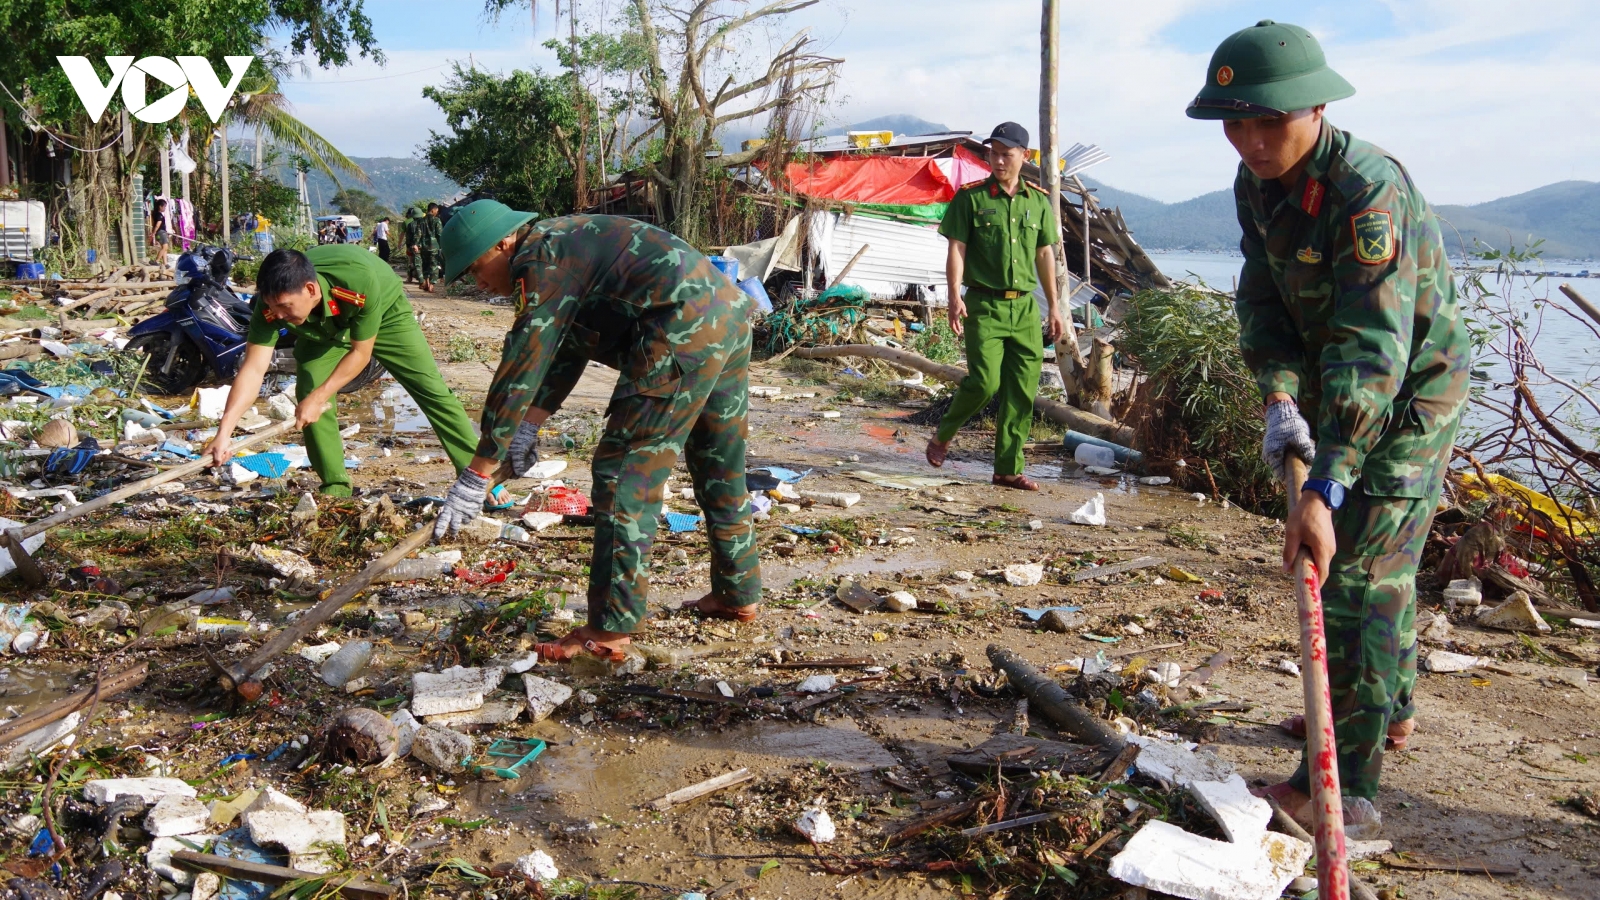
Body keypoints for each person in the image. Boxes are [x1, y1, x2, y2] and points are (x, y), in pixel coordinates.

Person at [1187, 19, 1469, 837]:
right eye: (1234, 122)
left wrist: (1328, 479)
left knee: (1357, 582)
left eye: (1267, 121)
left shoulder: (1365, 190)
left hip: (1408, 393)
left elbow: (1372, 347)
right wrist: (1279, 399)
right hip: (1336, 382)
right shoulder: (1258, 182)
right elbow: (1263, 299)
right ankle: (1389, 710)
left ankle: (1344, 792)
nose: (1249, 140)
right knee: (1380, 563)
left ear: (1314, 106)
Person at [432, 201, 762, 662]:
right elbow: (570, 346)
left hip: (680, 329)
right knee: (719, 466)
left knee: (626, 472)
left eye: (475, 268)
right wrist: (528, 428)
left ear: (503, 243)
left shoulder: (540, 261)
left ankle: (609, 628)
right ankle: (737, 592)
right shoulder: (568, 245)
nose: (478, 282)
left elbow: (521, 365)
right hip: (725, 317)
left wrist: (477, 472)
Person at [202, 245, 516, 509]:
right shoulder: (272, 307)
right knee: (308, 389)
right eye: (274, 308)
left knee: (430, 389)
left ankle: (479, 477)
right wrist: (224, 432)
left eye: (285, 307)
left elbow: (360, 353)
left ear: (310, 290)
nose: (279, 316)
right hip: (319, 330)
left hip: (385, 310)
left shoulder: (356, 283)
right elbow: (254, 369)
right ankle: (335, 485)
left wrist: (320, 397)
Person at [924, 121, 1066, 491]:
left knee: (1021, 390)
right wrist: (953, 294)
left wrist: (1054, 307)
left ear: (1025, 156)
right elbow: (956, 247)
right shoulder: (972, 198)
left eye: (1006, 154)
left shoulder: (1038, 201)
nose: (998, 161)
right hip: (983, 305)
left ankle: (1007, 469)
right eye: (993, 154)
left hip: (1024, 311)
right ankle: (944, 434)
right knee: (985, 383)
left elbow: (1044, 254)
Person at [417, 202, 444, 293]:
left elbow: (418, 234)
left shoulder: (421, 221)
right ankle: (431, 285)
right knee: (434, 265)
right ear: (433, 210)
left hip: (423, 247)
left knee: (425, 265)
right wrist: (442, 246)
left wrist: (417, 244)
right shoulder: (436, 220)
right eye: (436, 210)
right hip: (434, 247)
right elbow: (440, 234)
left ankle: (426, 282)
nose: (437, 212)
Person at [149, 198, 171, 272]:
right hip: (161, 232)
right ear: (160, 206)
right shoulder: (159, 215)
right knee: (165, 247)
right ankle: (157, 261)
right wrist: (154, 232)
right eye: (164, 206)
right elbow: (158, 225)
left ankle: (165, 263)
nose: (164, 208)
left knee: (163, 248)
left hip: (159, 233)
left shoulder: (155, 214)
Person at [403, 207, 423, 284]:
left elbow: (408, 238)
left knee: (411, 262)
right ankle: (423, 278)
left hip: (413, 247)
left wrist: (408, 247)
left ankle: (409, 278)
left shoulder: (410, 225)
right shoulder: (425, 223)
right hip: (423, 247)